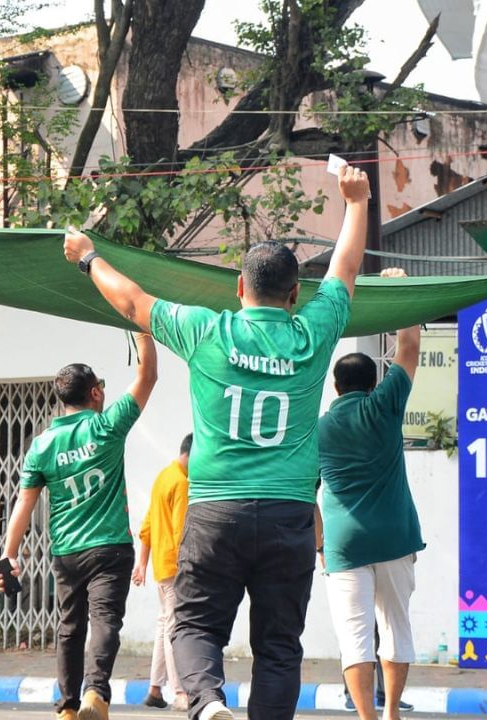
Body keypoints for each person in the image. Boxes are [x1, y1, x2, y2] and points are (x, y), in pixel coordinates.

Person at [62, 165, 372, 720]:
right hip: (289, 514)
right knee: (279, 646)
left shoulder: (207, 330)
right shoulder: (314, 331)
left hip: (216, 512)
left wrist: (88, 257)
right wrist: (356, 203)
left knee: (196, 623)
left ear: (238, 288)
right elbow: (346, 269)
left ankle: (207, 704)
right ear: (295, 294)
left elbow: (133, 302)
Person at [0, 334, 158, 720]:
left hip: (67, 553)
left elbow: (24, 503)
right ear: (96, 392)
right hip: (110, 547)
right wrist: (143, 329)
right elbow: (147, 376)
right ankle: (95, 694)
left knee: (70, 627)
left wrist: (9, 553)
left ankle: (67, 706)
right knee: (105, 621)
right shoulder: (107, 426)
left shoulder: (43, 445)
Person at [316, 299, 424, 720]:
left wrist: (320, 542)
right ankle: (393, 711)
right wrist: (404, 296)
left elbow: (308, 494)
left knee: (354, 635)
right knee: (396, 626)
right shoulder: (385, 406)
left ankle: (367, 717)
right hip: (395, 536)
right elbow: (409, 347)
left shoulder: (319, 428)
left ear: (337, 387)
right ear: (375, 381)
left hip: (345, 544)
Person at [134, 433, 193, 712]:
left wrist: (142, 562)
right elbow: (181, 531)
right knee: (174, 628)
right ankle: (179, 691)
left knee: (163, 624)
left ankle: (155, 689)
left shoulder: (163, 476)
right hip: (176, 567)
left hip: (160, 565)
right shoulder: (181, 483)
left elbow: (147, 524)